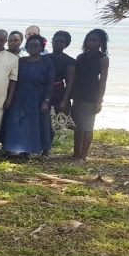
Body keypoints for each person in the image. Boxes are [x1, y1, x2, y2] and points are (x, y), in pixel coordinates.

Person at [1, 34, 54, 158]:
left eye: (36, 45)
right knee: (15, 122)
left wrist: (46, 100)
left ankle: (28, 151)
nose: (33, 47)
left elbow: (50, 83)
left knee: (34, 125)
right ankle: (10, 148)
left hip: (38, 97)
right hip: (19, 96)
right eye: (30, 45)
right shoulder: (21, 61)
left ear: (41, 47)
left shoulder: (47, 62)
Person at [71, 29, 109, 161]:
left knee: (87, 127)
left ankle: (83, 156)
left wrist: (99, 101)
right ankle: (75, 154)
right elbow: (74, 77)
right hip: (78, 95)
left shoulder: (103, 59)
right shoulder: (80, 57)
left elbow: (103, 81)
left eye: (94, 40)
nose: (91, 42)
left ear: (100, 43)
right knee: (77, 126)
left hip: (91, 96)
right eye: (89, 40)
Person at [48, 30, 76, 132]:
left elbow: (69, 82)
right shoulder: (45, 58)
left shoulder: (69, 61)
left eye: (62, 42)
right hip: (44, 91)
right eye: (56, 40)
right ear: (52, 41)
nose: (58, 43)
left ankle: (47, 147)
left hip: (58, 92)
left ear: (66, 45)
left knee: (54, 124)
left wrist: (64, 100)